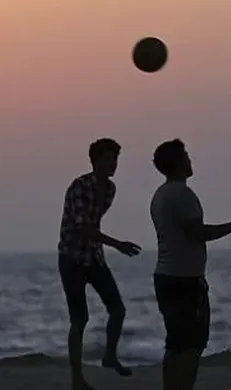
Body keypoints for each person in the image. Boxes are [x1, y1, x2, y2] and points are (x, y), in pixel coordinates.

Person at [149, 138, 231, 390]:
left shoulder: (160, 195)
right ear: (177, 162)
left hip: (165, 276)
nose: (190, 159)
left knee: (175, 344)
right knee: (192, 345)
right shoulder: (182, 194)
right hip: (185, 280)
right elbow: (197, 233)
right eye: (185, 155)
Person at [57, 138, 142, 390]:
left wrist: (106, 245)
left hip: (93, 257)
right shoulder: (79, 187)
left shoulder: (110, 190)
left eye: (115, 159)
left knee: (117, 309)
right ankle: (76, 379)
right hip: (72, 258)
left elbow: (94, 224)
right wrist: (117, 244)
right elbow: (83, 227)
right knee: (79, 319)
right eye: (107, 159)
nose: (113, 164)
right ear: (94, 161)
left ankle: (109, 355)